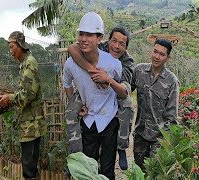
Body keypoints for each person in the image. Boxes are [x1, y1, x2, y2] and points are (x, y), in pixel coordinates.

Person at [63, 12, 125, 180]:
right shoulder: (70, 64)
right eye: (81, 34)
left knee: (107, 168)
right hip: (88, 120)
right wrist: (76, 104)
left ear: (100, 38)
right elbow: (67, 84)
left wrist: (108, 80)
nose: (83, 38)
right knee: (89, 168)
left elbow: (122, 91)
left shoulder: (113, 64)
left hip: (108, 120)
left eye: (89, 34)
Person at [0, 31, 47, 180]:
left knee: (29, 169)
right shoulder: (23, 64)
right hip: (28, 124)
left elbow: (28, 95)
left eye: (12, 47)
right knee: (30, 167)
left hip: (32, 126)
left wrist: (10, 98)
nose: (11, 51)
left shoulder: (30, 63)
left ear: (20, 46)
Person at [131, 38, 179, 170]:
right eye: (155, 52)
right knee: (139, 172)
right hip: (140, 134)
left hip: (159, 138)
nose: (157, 57)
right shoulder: (139, 71)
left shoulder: (171, 81)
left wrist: (167, 144)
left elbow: (172, 117)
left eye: (162, 54)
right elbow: (125, 91)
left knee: (154, 172)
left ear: (168, 57)